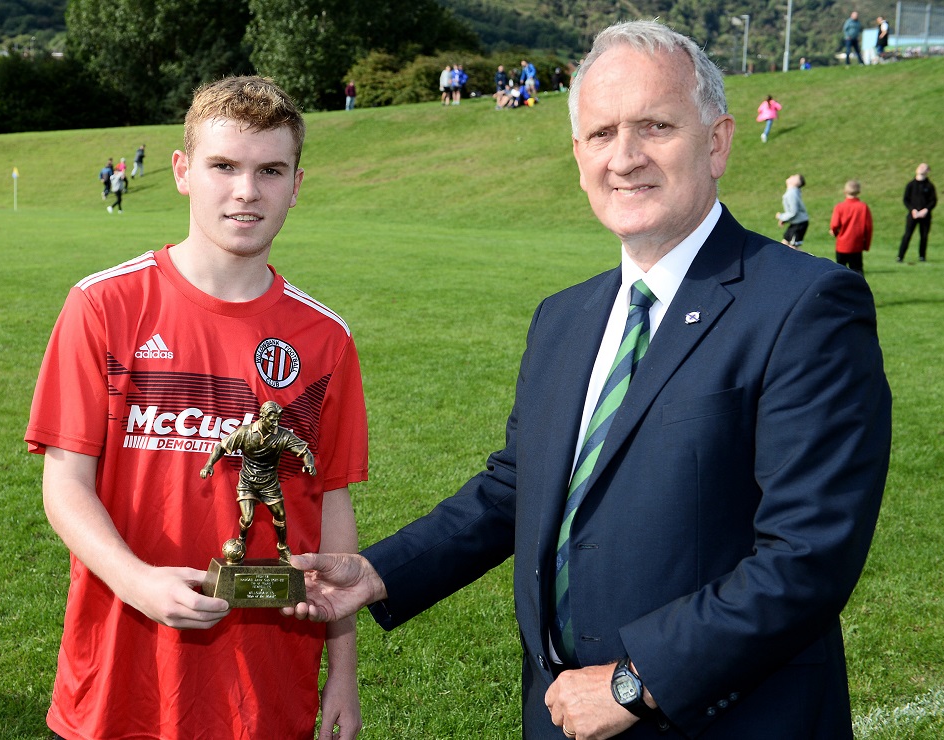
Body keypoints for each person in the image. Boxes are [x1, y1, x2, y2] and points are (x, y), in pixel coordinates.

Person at [290, 20, 891, 740]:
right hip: (558, 716)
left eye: (656, 125)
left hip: (729, 720)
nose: (625, 157)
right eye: (602, 133)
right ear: (578, 156)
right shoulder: (563, 317)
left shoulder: (805, 305)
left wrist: (637, 683)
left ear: (718, 141)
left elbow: (808, 557)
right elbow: (516, 486)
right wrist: (379, 572)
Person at [25, 75, 368, 740]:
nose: (246, 191)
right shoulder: (102, 307)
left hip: (267, 686)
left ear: (297, 184)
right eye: (224, 167)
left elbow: (331, 507)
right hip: (121, 679)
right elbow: (65, 485)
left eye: (270, 170)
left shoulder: (326, 340)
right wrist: (138, 582)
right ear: (183, 171)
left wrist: (344, 675)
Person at [200, 400, 317, 563]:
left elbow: (305, 452)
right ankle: (241, 541)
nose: (275, 423)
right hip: (248, 482)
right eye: (272, 419)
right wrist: (208, 465)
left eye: (278, 420)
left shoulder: (282, 435)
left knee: (281, 514)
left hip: (269, 483)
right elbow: (220, 447)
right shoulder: (245, 432)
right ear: (262, 416)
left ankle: (283, 547)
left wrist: (309, 464)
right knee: (247, 518)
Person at [829, 179, 873, 276]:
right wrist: (866, 245)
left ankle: (839, 289)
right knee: (857, 270)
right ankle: (858, 290)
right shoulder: (863, 207)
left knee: (840, 270)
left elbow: (835, 224)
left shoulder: (840, 207)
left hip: (842, 245)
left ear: (844, 192)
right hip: (857, 245)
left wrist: (834, 232)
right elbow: (868, 228)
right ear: (859, 192)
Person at [896, 162, 937, 262]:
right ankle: (900, 256)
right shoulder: (911, 185)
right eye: (920, 166)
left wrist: (926, 210)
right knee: (907, 234)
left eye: (924, 167)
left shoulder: (929, 186)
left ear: (928, 171)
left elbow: (933, 200)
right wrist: (912, 210)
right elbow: (906, 199)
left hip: (925, 215)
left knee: (924, 236)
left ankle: (922, 256)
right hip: (912, 214)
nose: (921, 168)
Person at [775, 173, 809, 249]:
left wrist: (781, 216)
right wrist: (784, 220)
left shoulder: (792, 193)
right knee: (784, 243)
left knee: (793, 248)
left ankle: (811, 260)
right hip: (795, 223)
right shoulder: (792, 192)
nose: (791, 176)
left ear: (797, 183)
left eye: (794, 176)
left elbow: (793, 212)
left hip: (799, 224)